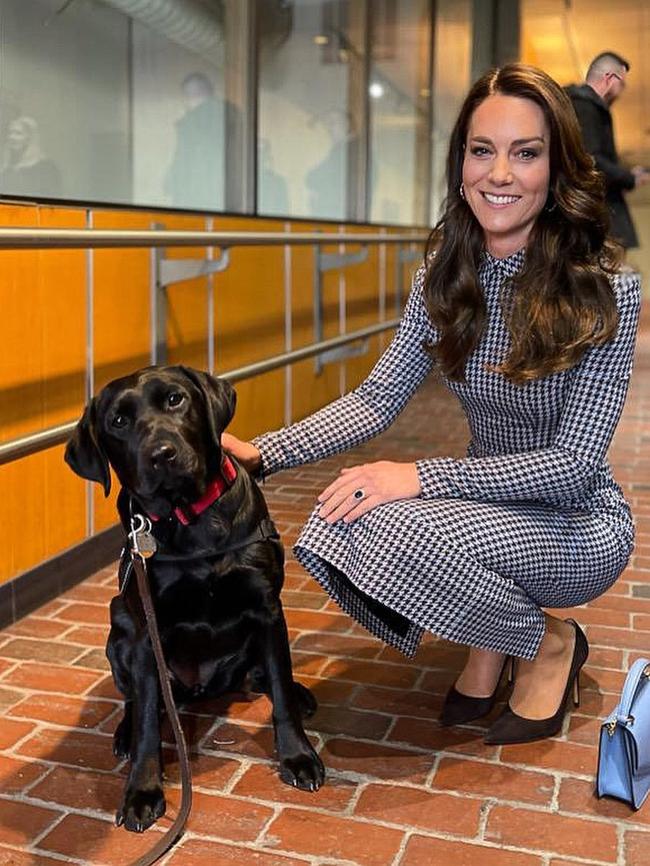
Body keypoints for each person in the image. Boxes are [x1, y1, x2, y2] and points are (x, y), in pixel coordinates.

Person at [223, 63, 641, 745]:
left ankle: (549, 643)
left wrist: (418, 477)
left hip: (575, 524)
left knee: (383, 521)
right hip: (484, 508)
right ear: (461, 163)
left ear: (558, 167)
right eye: (483, 151)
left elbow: (569, 466)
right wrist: (265, 451)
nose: (499, 174)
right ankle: (499, 638)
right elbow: (377, 398)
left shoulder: (607, 292)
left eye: (526, 153)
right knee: (343, 519)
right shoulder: (444, 277)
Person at [566, 52, 649, 250]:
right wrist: (629, 178)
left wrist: (628, 174)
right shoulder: (586, 106)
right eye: (622, 84)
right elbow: (591, 158)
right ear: (610, 79)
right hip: (594, 210)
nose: (622, 91)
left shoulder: (581, 106)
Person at [164, 72, 224, 211]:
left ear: (189, 95)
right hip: (223, 194)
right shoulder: (229, 114)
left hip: (195, 195)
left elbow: (184, 158)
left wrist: (172, 180)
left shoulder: (191, 122)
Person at [0, 116, 61, 198]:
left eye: (18, 133)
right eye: (10, 133)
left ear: (29, 137)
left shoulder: (46, 168)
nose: (12, 137)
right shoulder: (7, 167)